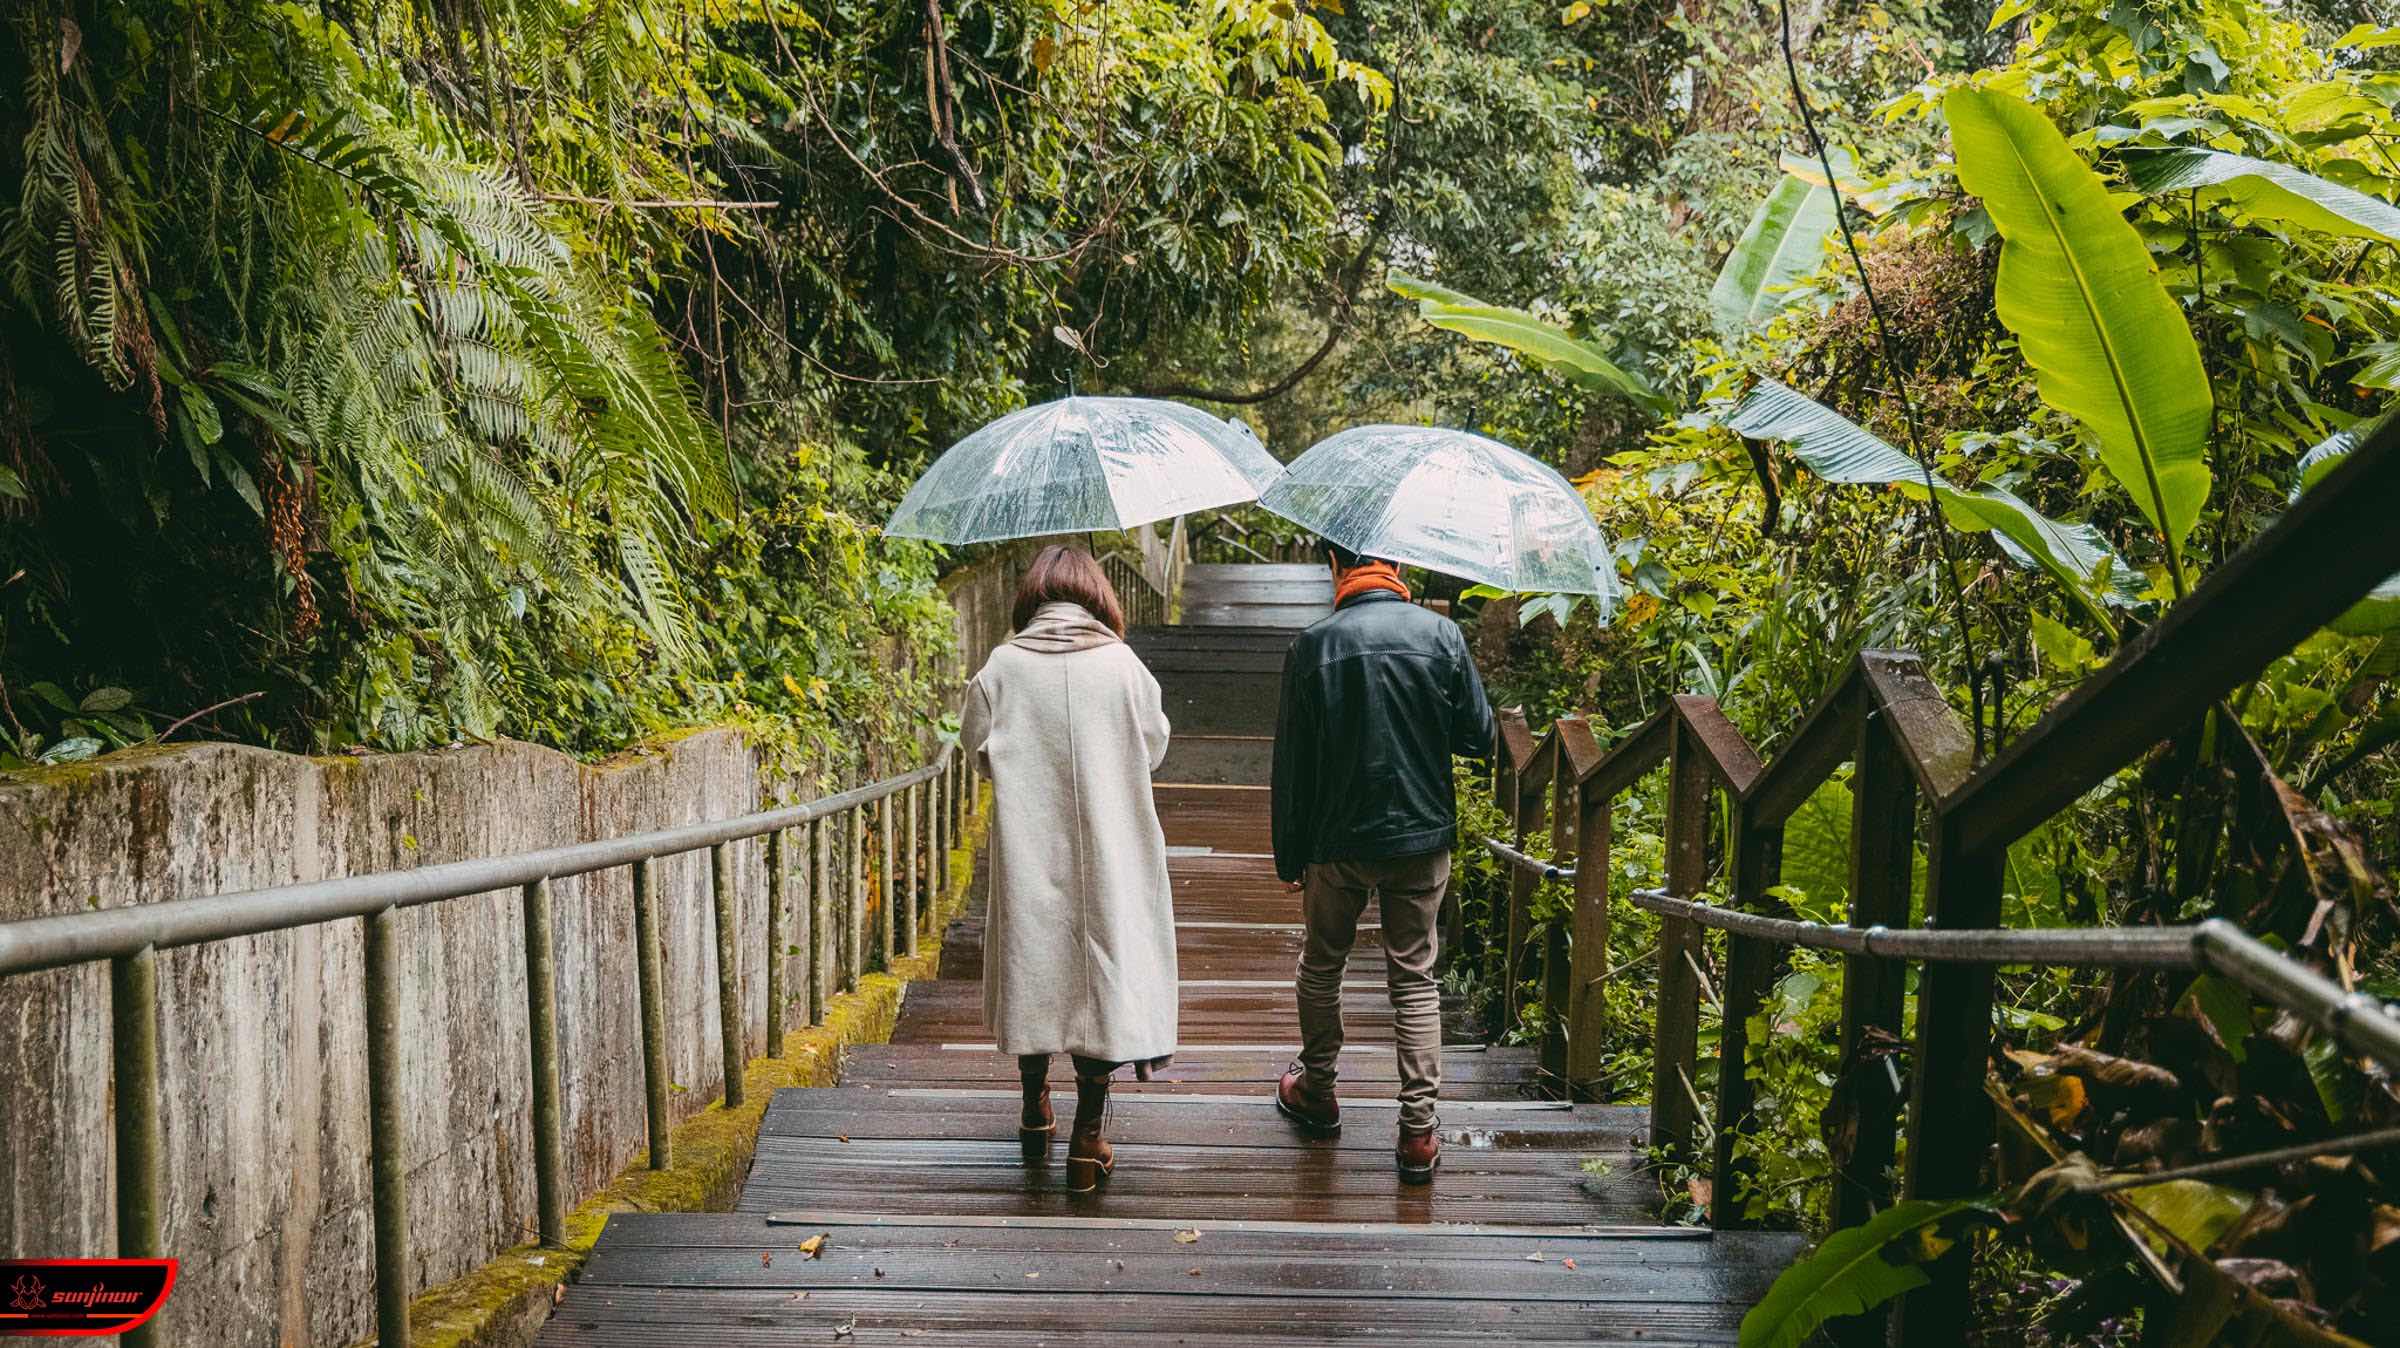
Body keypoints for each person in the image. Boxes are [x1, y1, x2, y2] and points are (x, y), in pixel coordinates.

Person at [1270, 541, 1495, 1182]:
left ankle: (1317, 1089)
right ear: (1397, 565)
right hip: (1421, 838)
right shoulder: (1443, 636)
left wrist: (1290, 855)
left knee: (1322, 965)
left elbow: (1292, 767)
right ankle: (1419, 1133)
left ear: (1336, 567)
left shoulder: (1312, 647)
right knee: (1415, 980)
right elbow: (1479, 740)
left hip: (1334, 840)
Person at [961, 544, 1177, 1194]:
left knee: (1036, 966)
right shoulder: (1123, 666)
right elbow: (1155, 745)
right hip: (1111, 852)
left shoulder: (1001, 668)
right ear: (1097, 599)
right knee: (1098, 974)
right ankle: (1088, 1140)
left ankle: (1034, 1110)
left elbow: (976, 750)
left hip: (1030, 849)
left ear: (1032, 600)